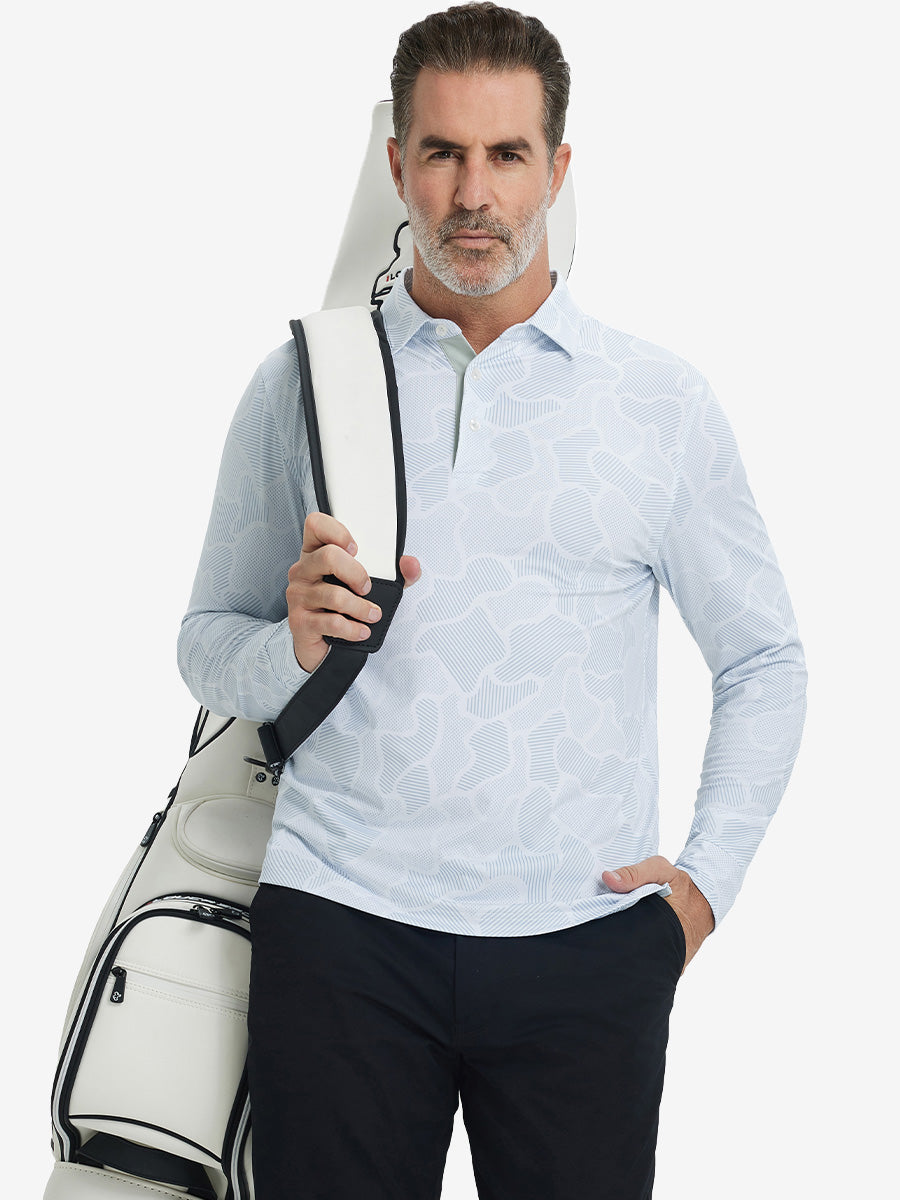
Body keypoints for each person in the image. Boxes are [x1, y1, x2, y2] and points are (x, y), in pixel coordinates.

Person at [178, 4, 807, 1197]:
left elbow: (764, 660)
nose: (475, 195)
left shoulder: (657, 403)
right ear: (396, 164)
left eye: (507, 154)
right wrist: (288, 647)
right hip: (341, 924)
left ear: (557, 170)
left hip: (585, 940)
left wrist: (701, 890)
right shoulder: (305, 383)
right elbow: (205, 642)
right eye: (444, 153)